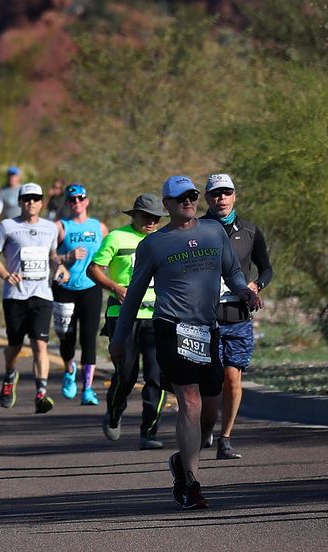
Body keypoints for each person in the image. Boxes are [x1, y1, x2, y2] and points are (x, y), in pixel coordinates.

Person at [114, 175, 254, 510]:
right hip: (171, 328)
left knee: (210, 409)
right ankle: (191, 483)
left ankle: (182, 460)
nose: (188, 202)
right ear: (167, 205)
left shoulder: (213, 232)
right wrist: (119, 338)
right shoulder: (153, 244)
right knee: (188, 403)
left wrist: (245, 290)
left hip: (208, 328)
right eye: (180, 199)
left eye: (191, 196)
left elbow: (232, 273)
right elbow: (133, 295)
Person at [202, 173, 271, 459]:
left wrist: (256, 285)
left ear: (234, 196)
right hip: (205, 315)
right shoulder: (198, 229)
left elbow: (266, 268)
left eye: (226, 193)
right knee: (211, 380)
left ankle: (225, 438)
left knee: (232, 379)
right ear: (207, 198)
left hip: (238, 313)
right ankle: (205, 428)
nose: (221, 198)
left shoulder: (249, 230)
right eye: (215, 194)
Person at [93, 193, 166, 447]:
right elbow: (94, 268)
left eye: (156, 218)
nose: (151, 222)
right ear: (134, 215)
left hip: (157, 317)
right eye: (146, 216)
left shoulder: (164, 240)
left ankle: (149, 432)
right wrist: (115, 287)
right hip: (122, 316)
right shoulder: (117, 237)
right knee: (127, 374)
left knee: (157, 376)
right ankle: (114, 413)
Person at [0, 182, 65, 413]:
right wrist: (5, 274)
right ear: (20, 202)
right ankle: (10, 374)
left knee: (40, 345)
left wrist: (59, 267)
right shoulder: (8, 226)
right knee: (14, 346)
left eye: (35, 198)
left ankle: (41, 393)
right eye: (27, 199)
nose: (31, 202)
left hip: (42, 294)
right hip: (15, 296)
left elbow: (52, 254)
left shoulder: (50, 228)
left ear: (42, 202)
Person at [52, 183, 107, 406]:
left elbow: (108, 253)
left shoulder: (99, 227)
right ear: (67, 203)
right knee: (67, 337)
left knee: (89, 339)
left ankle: (88, 389)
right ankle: (69, 370)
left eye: (80, 198)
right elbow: (50, 255)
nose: (77, 203)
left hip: (91, 288)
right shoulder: (61, 227)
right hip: (64, 287)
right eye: (72, 199)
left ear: (87, 201)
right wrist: (68, 257)